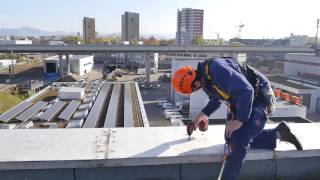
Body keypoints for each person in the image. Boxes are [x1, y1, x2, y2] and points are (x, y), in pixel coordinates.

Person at [171, 57, 303, 180]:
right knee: (230, 138)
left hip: (259, 97)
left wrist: (240, 120)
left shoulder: (216, 69)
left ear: (195, 83)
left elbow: (247, 90)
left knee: (238, 140)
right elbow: (216, 99)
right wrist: (200, 116)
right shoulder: (206, 79)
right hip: (242, 99)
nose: (196, 90)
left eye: (194, 89)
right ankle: (279, 133)